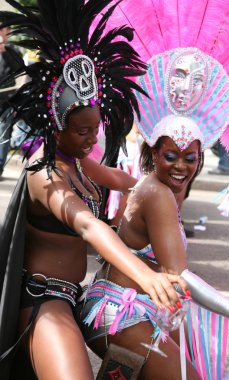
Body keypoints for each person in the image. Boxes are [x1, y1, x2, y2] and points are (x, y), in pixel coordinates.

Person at [0, 1, 188, 379]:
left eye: (95, 130)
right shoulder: (45, 174)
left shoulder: (83, 167)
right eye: (82, 132)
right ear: (55, 125)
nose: (91, 140)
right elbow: (87, 225)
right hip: (44, 300)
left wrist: (174, 171)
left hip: (74, 299)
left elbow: (131, 183)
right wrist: (146, 274)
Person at [81, 48, 229, 380]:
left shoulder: (153, 187)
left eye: (190, 158)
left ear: (201, 156)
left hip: (134, 309)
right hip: (122, 314)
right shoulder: (158, 193)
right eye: (171, 155)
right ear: (153, 152)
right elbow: (179, 276)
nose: (181, 167)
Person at [0, 26, 22, 178]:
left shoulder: (12, 50)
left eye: (4, 29)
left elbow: (19, 69)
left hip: (8, 99)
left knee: (4, 132)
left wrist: (5, 52)